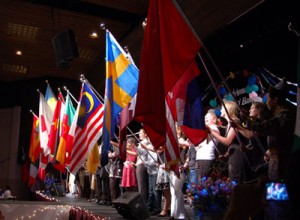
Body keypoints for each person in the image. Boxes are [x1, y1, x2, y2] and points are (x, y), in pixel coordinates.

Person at [208, 100, 244, 182]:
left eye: (222, 108)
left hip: (237, 155)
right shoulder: (229, 124)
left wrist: (212, 132)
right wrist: (226, 155)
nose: (220, 110)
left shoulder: (235, 121)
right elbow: (231, 144)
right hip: (232, 155)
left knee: (236, 181)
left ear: (228, 109)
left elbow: (228, 141)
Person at [195, 110, 220, 182]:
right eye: (204, 117)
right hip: (200, 159)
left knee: (204, 185)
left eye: (208, 117)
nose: (205, 118)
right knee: (200, 184)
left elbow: (208, 131)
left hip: (206, 159)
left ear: (214, 120)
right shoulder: (205, 129)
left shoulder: (214, 128)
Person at [135, 128, 149, 202]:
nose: (139, 134)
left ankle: (143, 201)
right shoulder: (142, 142)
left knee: (142, 185)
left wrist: (135, 147)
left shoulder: (145, 142)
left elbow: (143, 153)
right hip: (140, 163)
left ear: (145, 134)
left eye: (141, 133)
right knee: (142, 184)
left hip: (142, 164)